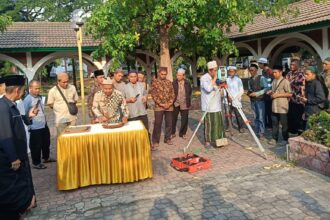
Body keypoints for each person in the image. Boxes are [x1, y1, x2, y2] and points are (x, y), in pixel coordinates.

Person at [0, 75, 37, 219]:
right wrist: (13, 158)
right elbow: (5, 135)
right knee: (14, 193)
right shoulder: (3, 107)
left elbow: (19, 121)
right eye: (22, 90)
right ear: (16, 90)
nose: (23, 93)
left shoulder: (11, 105)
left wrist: (29, 117)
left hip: (20, 156)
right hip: (12, 161)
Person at [24, 80, 55, 169]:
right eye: (36, 88)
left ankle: (46, 157)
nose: (38, 90)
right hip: (34, 127)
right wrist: (30, 119)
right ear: (30, 88)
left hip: (43, 124)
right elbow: (24, 114)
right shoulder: (28, 99)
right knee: (36, 145)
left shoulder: (40, 97)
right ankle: (36, 162)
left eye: (39, 88)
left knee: (46, 142)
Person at [200, 61, 225, 148]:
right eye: (215, 70)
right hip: (208, 106)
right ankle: (207, 142)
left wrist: (221, 88)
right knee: (209, 125)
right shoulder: (204, 78)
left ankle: (218, 141)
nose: (216, 72)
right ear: (210, 71)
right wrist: (214, 79)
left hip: (217, 106)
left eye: (216, 70)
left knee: (218, 125)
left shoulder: (217, 79)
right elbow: (208, 89)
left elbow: (220, 92)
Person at [267, 65, 292, 145]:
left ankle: (285, 139)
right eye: (273, 72)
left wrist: (278, 95)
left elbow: (290, 94)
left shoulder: (285, 81)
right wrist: (271, 92)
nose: (274, 74)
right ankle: (274, 138)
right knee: (274, 123)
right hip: (274, 106)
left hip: (282, 106)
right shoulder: (274, 81)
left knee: (284, 124)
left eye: (275, 72)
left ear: (280, 72)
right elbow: (274, 91)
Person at [150, 67, 175, 148]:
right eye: (162, 74)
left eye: (165, 74)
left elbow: (173, 94)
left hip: (169, 107)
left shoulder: (169, 82)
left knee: (169, 123)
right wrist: (161, 104)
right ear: (159, 73)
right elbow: (153, 95)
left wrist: (169, 103)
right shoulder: (155, 82)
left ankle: (167, 138)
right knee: (157, 123)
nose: (163, 76)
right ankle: (155, 140)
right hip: (159, 107)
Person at [247, 64, 268, 139]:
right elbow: (249, 89)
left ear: (256, 70)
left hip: (260, 100)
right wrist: (249, 93)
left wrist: (257, 93)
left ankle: (261, 132)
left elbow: (266, 88)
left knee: (261, 117)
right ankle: (257, 131)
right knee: (255, 116)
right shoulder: (249, 80)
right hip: (253, 100)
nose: (251, 72)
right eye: (250, 70)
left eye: (252, 70)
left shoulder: (261, 78)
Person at [171, 68, 192, 139]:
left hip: (185, 103)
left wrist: (187, 99)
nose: (178, 76)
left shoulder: (187, 83)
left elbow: (189, 92)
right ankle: (172, 132)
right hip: (176, 103)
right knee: (173, 118)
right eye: (177, 75)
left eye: (180, 75)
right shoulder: (173, 83)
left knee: (185, 119)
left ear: (183, 76)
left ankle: (182, 133)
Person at [286, 59, 305, 135]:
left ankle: (299, 132)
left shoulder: (301, 74)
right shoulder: (289, 73)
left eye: (293, 65)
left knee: (298, 117)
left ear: (297, 65)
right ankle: (292, 131)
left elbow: (300, 85)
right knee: (290, 117)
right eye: (291, 64)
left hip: (298, 100)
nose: (291, 66)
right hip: (290, 99)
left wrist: (290, 82)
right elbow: (286, 83)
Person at [225, 66, 246, 133]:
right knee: (228, 114)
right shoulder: (227, 80)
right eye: (230, 71)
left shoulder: (238, 80)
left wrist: (235, 98)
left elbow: (241, 90)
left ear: (235, 72)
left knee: (238, 114)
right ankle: (228, 126)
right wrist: (228, 97)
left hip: (236, 100)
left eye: (232, 71)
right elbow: (225, 89)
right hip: (228, 99)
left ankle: (241, 127)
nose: (231, 73)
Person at [258, 58, 273, 129]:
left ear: (263, 64)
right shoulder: (263, 71)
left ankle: (271, 125)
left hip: (269, 93)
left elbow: (271, 83)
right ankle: (266, 123)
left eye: (259, 64)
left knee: (269, 110)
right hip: (265, 93)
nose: (258, 65)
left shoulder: (269, 71)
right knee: (266, 110)